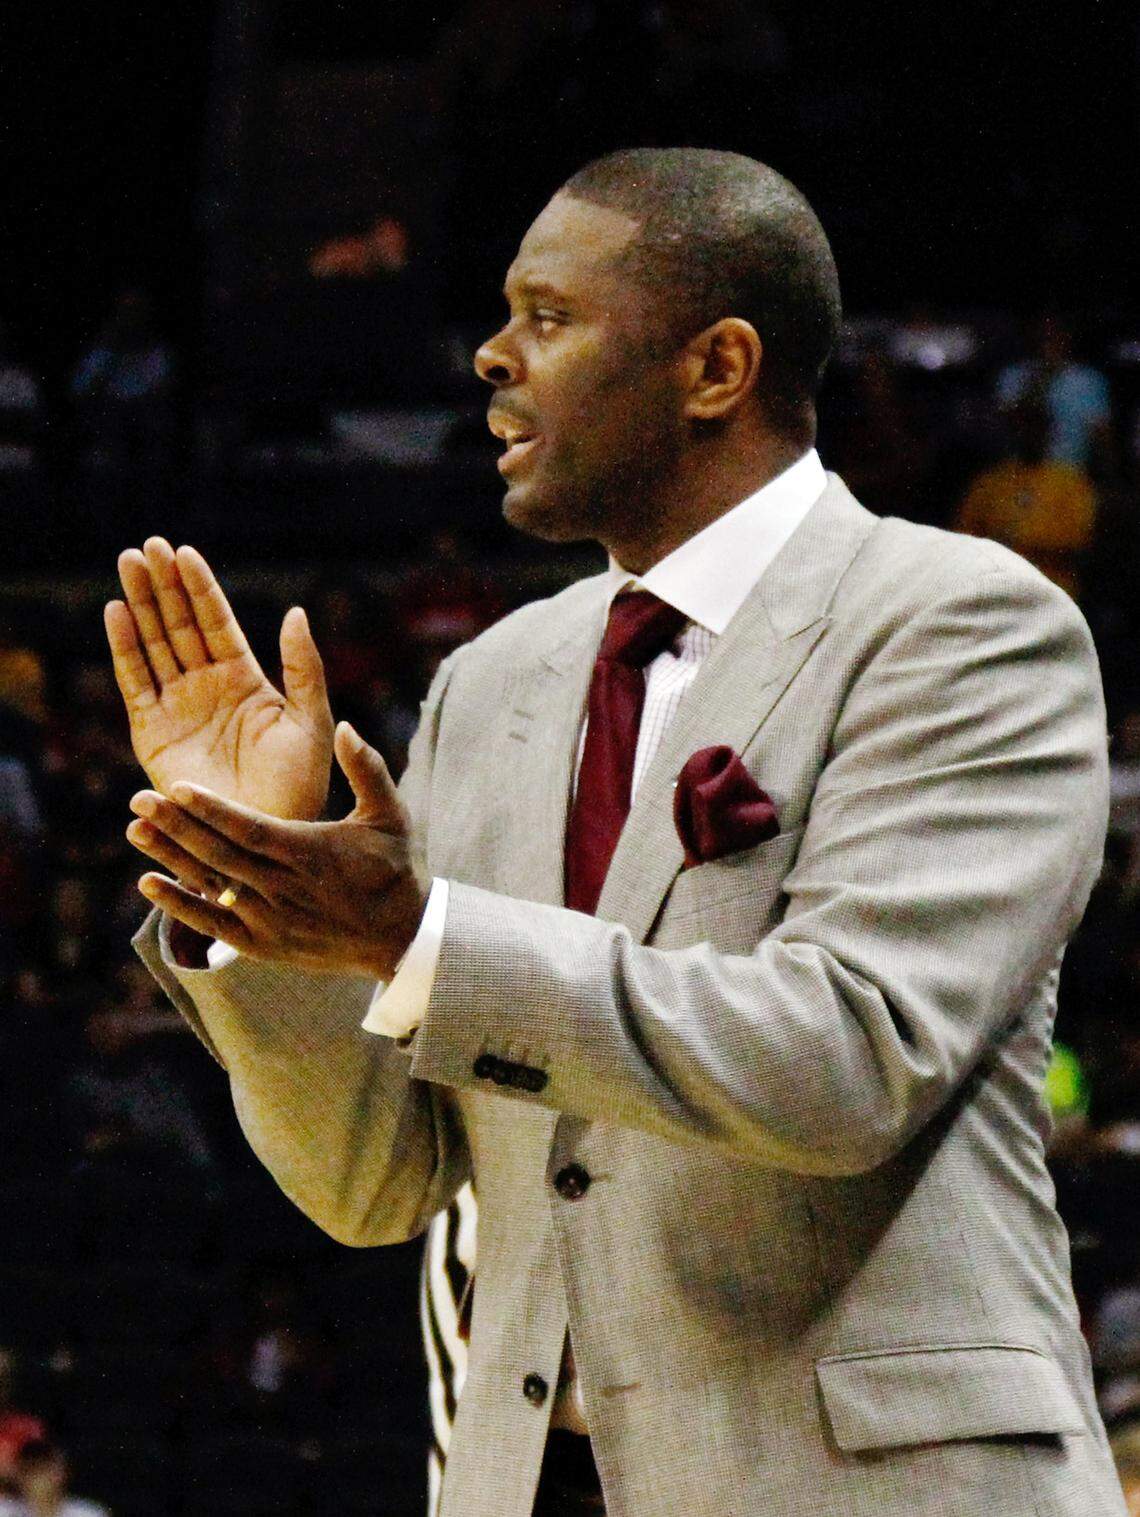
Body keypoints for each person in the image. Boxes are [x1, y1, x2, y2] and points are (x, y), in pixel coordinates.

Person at [107, 148, 1127, 1515]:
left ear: (717, 368)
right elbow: (373, 1178)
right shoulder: (491, 683)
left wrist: (421, 933)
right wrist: (256, 879)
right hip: (536, 1478)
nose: (490, 355)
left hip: (868, 1479)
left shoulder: (960, 624)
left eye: (548, 316)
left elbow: (849, 1056)